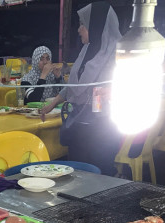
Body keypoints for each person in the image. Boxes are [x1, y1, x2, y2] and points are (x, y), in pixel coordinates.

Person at [40, 1, 122, 175]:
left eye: (83, 24)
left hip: (103, 127)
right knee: (77, 172)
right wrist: (51, 105)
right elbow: (74, 86)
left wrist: (113, 92)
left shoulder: (119, 53)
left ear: (96, 26)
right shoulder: (86, 50)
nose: (79, 30)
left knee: (100, 172)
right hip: (80, 123)